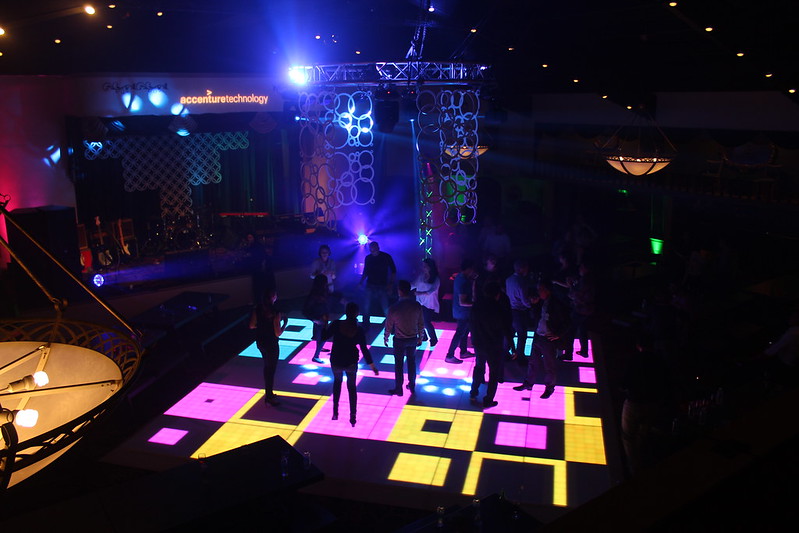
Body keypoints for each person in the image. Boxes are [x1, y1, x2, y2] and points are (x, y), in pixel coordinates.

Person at [323, 302, 378, 426]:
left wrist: (325, 323)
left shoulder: (336, 324)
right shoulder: (358, 330)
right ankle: (353, 416)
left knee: (337, 383)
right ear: (357, 313)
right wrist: (372, 365)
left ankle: (335, 412)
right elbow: (364, 349)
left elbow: (324, 337)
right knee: (352, 388)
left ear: (346, 312)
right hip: (351, 361)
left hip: (336, 360)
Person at [513, 279, 569, 399]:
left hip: (548, 338)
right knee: (533, 362)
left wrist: (558, 334)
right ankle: (528, 384)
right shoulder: (541, 302)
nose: (538, 292)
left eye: (540, 289)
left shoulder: (557, 304)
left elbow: (567, 322)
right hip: (539, 335)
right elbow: (535, 317)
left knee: (549, 365)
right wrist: (534, 305)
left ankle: (549, 388)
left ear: (547, 290)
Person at [470, 281, 514, 408]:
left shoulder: (477, 306)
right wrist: (512, 345)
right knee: (494, 373)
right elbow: (505, 327)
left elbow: (472, 324)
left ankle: (473, 392)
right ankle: (488, 399)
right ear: (498, 294)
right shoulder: (498, 307)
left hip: (479, 343)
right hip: (494, 345)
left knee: (479, 367)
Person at [384, 280, 426, 396]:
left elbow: (389, 325)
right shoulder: (416, 306)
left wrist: (386, 337)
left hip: (399, 340)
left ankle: (399, 388)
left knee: (398, 365)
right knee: (411, 363)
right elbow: (421, 323)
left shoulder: (395, 307)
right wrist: (420, 337)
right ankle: (412, 386)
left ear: (399, 291)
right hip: (412, 339)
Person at [249, 287, 288, 406]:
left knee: (267, 367)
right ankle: (269, 396)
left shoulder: (258, 309)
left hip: (261, 342)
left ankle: (269, 393)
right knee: (271, 370)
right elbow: (278, 333)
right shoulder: (275, 312)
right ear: (273, 297)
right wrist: (285, 323)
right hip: (271, 343)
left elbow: (251, 325)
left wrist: (262, 326)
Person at [445, 258, 478, 364]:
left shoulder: (460, 276)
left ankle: (463, 352)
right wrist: (477, 305)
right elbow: (463, 302)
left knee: (463, 332)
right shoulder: (463, 281)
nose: (473, 271)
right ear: (469, 269)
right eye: (472, 269)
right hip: (463, 312)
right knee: (460, 333)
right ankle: (449, 355)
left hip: (461, 311)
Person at [359, 241, 397, 331]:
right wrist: (361, 282)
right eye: (371, 249)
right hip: (371, 285)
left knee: (385, 308)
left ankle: (391, 326)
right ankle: (366, 326)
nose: (373, 250)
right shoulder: (368, 258)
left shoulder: (386, 257)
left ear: (378, 248)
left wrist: (391, 284)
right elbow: (365, 271)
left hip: (382, 286)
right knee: (367, 306)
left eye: (374, 248)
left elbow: (393, 271)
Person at [506, 258, 532, 362]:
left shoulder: (509, 279)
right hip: (519, 312)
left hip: (510, 310)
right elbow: (525, 301)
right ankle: (520, 357)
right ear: (521, 269)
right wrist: (532, 303)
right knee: (522, 335)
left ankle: (505, 354)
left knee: (510, 333)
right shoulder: (521, 282)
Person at [412, 257, 440, 347]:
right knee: (418, 320)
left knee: (426, 322)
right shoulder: (421, 276)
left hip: (429, 304)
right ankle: (423, 337)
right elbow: (413, 284)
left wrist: (419, 293)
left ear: (430, 267)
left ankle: (434, 339)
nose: (423, 268)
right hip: (419, 303)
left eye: (425, 266)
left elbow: (431, 291)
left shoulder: (436, 278)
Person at [303, 274, 331, 364]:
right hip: (319, 319)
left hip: (323, 318)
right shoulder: (315, 295)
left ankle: (319, 349)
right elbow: (305, 310)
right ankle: (316, 356)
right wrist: (314, 319)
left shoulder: (322, 292)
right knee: (323, 336)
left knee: (321, 336)